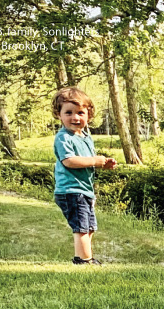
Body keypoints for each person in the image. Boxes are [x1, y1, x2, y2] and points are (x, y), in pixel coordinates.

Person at [52, 87, 115, 265]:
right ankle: (84, 261)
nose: (75, 117)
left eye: (80, 112)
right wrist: (95, 161)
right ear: (59, 115)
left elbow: (87, 160)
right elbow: (69, 161)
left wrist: (103, 163)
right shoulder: (63, 138)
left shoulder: (86, 137)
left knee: (89, 227)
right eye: (69, 113)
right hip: (70, 190)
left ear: (89, 115)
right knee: (81, 228)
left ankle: (85, 258)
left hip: (85, 190)